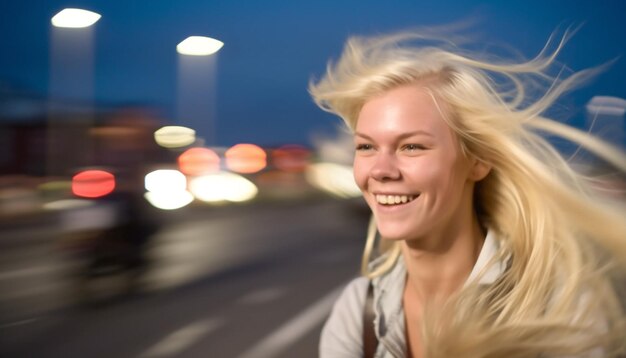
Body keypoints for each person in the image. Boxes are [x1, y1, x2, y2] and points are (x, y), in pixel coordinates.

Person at [309, 28, 626, 358]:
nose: (380, 170)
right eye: (366, 146)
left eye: (412, 146)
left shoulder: (559, 307)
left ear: (478, 160)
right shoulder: (357, 313)